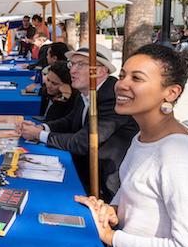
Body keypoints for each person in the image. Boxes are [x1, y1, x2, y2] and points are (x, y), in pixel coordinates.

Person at [76, 44, 188, 247]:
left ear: (170, 92)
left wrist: (111, 237)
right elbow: (132, 194)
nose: (121, 84)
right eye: (122, 75)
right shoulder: (142, 137)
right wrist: (111, 211)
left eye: (137, 78)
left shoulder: (179, 159)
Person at [21, 44, 139, 201]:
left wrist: (39, 134)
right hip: (84, 169)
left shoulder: (111, 96)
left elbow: (84, 142)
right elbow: (70, 120)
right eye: (72, 64)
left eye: (80, 64)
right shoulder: (86, 91)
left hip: (105, 186)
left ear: (100, 70)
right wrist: (43, 127)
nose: (72, 70)